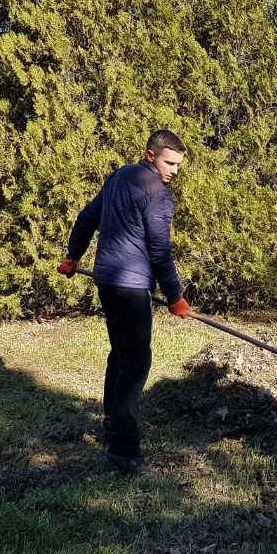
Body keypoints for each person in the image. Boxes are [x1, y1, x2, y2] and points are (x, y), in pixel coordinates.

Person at [60, 130, 191, 475]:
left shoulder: (118, 177)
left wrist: (73, 255)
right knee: (135, 363)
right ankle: (124, 450)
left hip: (107, 281)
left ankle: (110, 427)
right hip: (130, 288)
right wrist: (176, 296)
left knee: (120, 355)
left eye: (178, 164)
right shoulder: (157, 194)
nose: (174, 171)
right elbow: (159, 251)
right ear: (150, 155)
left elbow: (87, 217)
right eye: (169, 163)